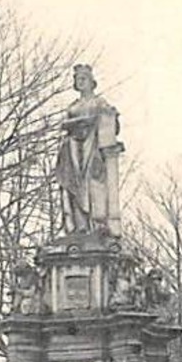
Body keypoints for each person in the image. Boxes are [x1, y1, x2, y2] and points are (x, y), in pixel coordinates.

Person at [55, 64, 119, 235]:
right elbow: (65, 124)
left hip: (92, 146)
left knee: (93, 182)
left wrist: (106, 116)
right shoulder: (73, 106)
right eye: (77, 79)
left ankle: (97, 223)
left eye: (83, 78)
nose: (80, 82)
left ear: (91, 82)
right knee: (73, 184)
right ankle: (79, 224)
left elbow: (111, 124)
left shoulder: (100, 102)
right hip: (73, 147)